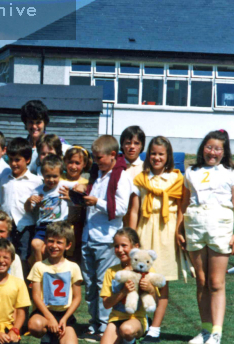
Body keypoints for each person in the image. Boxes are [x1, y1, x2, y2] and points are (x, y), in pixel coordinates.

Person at [178, 130, 234, 344]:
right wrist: (179, 229)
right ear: (202, 148)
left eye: (217, 149)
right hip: (196, 226)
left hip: (220, 227)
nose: (212, 152)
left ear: (224, 152)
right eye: (209, 147)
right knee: (202, 281)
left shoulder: (231, 172)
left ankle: (216, 332)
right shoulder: (191, 172)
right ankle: (205, 330)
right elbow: (184, 202)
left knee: (216, 282)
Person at [129, 136, 184, 343]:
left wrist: (179, 232)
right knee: (140, 279)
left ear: (168, 156)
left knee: (161, 282)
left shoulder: (176, 179)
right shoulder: (141, 179)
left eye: (161, 154)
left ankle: (155, 329)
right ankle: (140, 321)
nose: (157, 157)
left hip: (166, 233)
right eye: (153, 153)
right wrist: (133, 237)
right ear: (147, 155)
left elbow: (180, 210)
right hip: (144, 230)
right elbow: (134, 211)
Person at [81, 135, 133, 339]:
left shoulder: (121, 177)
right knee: (90, 284)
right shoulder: (98, 175)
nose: (96, 161)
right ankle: (94, 324)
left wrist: (97, 202)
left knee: (104, 285)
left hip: (106, 238)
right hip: (89, 236)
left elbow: (121, 208)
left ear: (113, 155)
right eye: (94, 158)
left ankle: (104, 327)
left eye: (99, 157)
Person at [100, 228, 158, 344]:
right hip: (116, 319)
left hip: (136, 319)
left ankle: (129, 340)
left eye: (124, 245)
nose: (120, 250)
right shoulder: (111, 272)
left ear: (135, 247)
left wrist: (150, 288)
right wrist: (123, 292)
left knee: (126, 330)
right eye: (116, 246)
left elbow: (155, 299)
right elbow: (106, 304)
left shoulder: (147, 269)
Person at [27, 222, 82, 344]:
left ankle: (54, 337)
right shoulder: (39, 266)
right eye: (51, 241)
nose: (54, 246)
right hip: (44, 313)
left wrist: (65, 318)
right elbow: (35, 296)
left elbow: (77, 297)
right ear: (45, 242)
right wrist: (50, 318)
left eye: (59, 242)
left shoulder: (73, 267)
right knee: (35, 325)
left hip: (64, 314)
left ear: (68, 245)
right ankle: (47, 335)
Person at [0, 137, 42, 267]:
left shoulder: (36, 181)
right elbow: (1, 199)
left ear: (27, 160)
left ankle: (23, 286)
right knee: (6, 256)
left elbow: (37, 206)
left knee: (24, 258)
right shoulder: (4, 178)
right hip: (7, 226)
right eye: (11, 160)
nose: (13, 163)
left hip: (26, 226)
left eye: (18, 160)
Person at [25, 155, 76, 262]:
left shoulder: (62, 185)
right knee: (35, 244)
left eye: (55, 176)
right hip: (43, 225)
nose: (51, 180)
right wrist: (29, 201)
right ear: (42, 175)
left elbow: (80, 185)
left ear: (60, 175)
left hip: (59, 224)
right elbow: (29, 209)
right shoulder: (38, 190)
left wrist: (78, 190)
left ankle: (52, 269)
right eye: (48, 176)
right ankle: (39, 269)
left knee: (50, 250)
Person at [20, 100, 70, 174]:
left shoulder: (59, 142)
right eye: (31, 122)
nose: (34, 126)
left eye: (38, 122)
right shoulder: (21, 146)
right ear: (25, 123)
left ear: (45, 123)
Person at [60, 146, 92, 262]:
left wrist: (74, 198)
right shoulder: (57, 179)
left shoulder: (86, 184)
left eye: (77, 163)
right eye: (70, 162)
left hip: (76, 228)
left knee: (73, 259)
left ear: (84, 164)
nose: (73, 166)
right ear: (65, 162)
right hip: (58, 226)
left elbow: (87, 205)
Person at [120, 126, 146, 228]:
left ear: (142, 146)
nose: (132, 147)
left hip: (140, 218)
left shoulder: (145, 168)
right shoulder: (116, 167)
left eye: (136, 143)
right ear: (122, 145)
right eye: (128, 143)